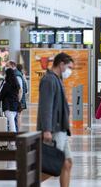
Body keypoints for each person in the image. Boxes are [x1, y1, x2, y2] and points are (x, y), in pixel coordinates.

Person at [37, 53, 74, 187]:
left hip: (61, 129)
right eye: (69, 67)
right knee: (54, 165)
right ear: (61, 64)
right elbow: (46, 106)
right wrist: (47, 130)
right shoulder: (49, 80)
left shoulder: (57, 79)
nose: (69, 71)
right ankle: (28, 182)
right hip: (54, 129)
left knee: (67, 162)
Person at [0, 68, 21, 135]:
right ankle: (12, 139)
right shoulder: (16, 84)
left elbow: (2, 95)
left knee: (11, 124)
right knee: (12, 122)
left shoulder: (7, 85)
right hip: (15, 106)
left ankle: (13, 141)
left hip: (8, 106)